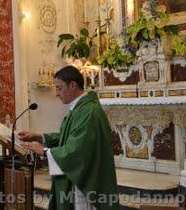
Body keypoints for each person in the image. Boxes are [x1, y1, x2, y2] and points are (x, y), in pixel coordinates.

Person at [19, 66, 119, 210]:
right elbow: (69, 137)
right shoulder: (81, 108)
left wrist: (45, 151)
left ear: (72, 85)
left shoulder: (88, 111)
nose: (56, 94)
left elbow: (77, 150)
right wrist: (40, 137)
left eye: (59, 88)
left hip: (87, 182)